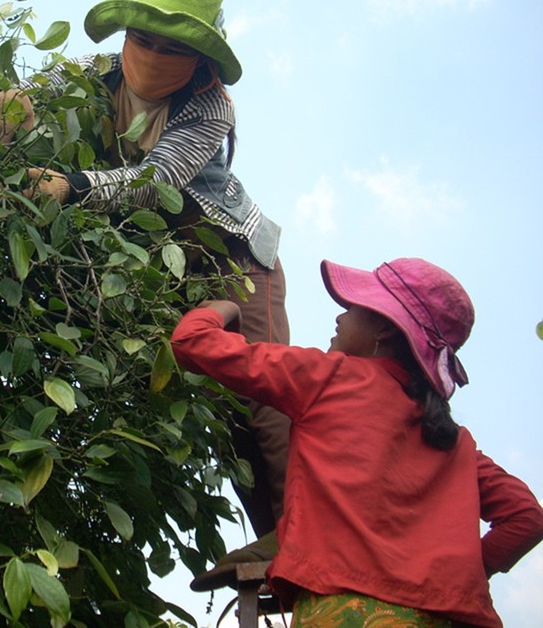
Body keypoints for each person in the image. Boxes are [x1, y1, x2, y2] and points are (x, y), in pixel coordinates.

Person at [0, 0, 291, 578]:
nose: (153, 56)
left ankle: (307, 534)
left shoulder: (209, 107)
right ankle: (280, 538)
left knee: (265, 400)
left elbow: (157, 183)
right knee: (221, 412)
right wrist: (8, 111)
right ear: (125, 35)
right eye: (144, 39)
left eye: (173, 47)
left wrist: (72, 187)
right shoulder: (83, 75)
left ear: (199, 58)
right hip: (164, 271)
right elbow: (26, 110)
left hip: (232, 259)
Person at [171, 257, 543, 626]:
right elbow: (526, 517)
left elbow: (192, 342)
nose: (339, 316)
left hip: (345, 612)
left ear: (384, 329)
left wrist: (222, 308)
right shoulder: (454, 441)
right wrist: (458, 575)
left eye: (352, 306)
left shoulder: (331, 378)